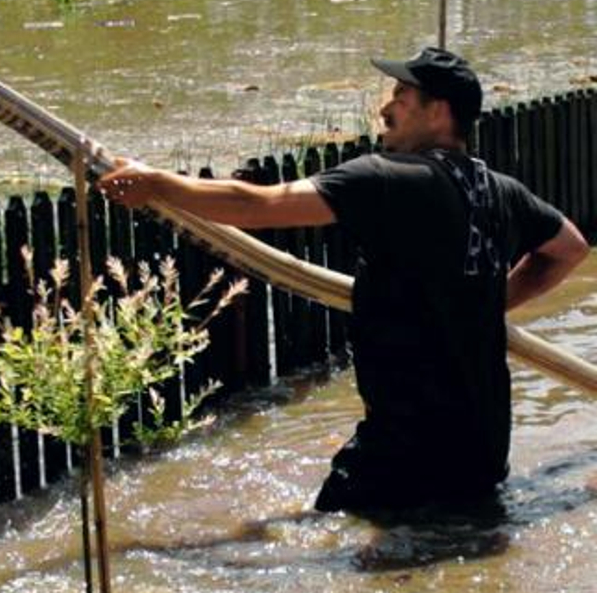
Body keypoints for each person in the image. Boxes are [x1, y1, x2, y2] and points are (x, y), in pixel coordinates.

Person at [96, 47, 589, 515]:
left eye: (400, 96)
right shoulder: (503, 191)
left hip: (403, 454)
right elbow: (569, 249)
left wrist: (156, 183)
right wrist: (491, 302)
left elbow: (259, 205)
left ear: (438, 112)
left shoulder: (389, 178)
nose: (385, 108)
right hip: (481, 453)